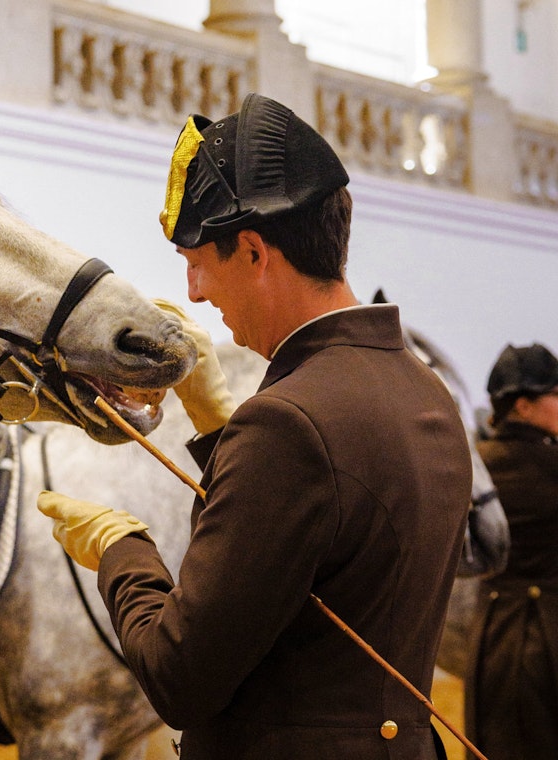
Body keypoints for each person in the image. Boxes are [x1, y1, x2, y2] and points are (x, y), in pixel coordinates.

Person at [37, 93, 472, 758]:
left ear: (252, 250)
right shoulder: (423, 389)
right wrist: (219, 428)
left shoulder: (288, 425)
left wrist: (122, 551)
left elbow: (178, 676)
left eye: (195, 260)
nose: (193, 293)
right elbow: (309, 550)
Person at [465, 342, 558, 760]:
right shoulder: (550, 466)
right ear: (523, 405)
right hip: (546, 645)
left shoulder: (477, 463)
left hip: (490, 642)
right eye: (555, 394)